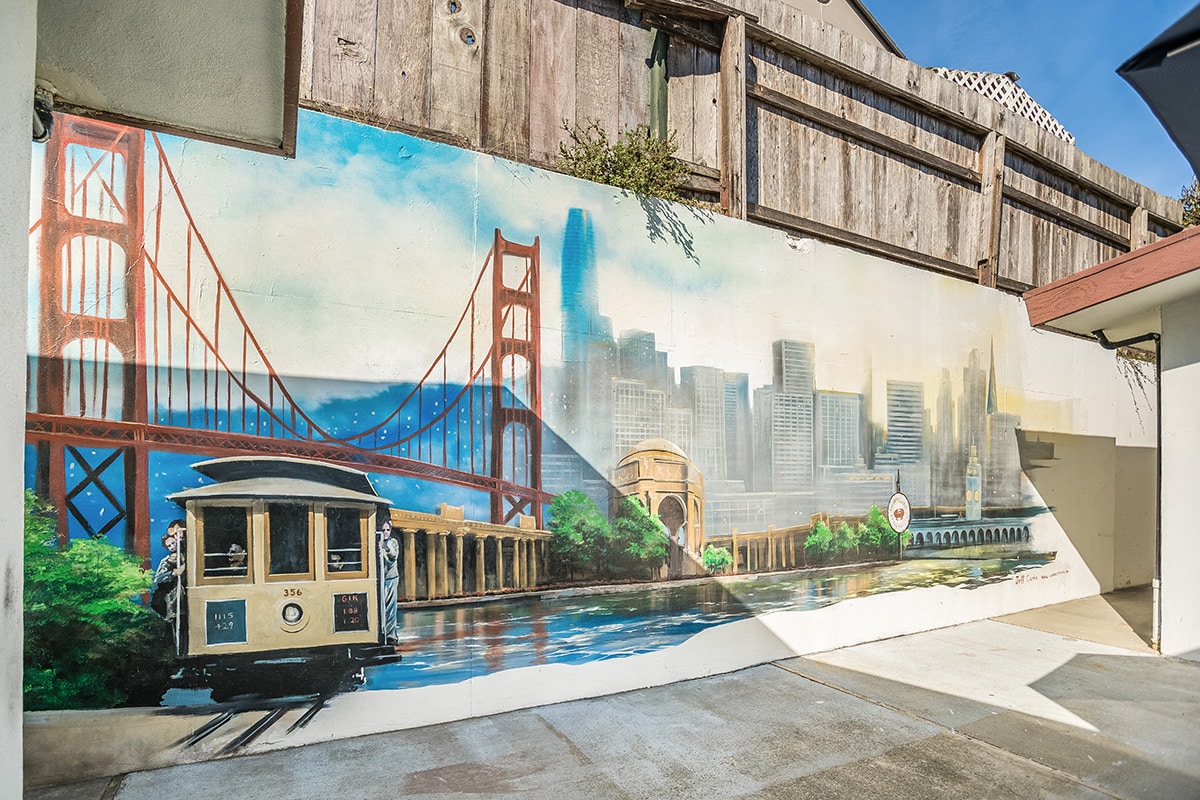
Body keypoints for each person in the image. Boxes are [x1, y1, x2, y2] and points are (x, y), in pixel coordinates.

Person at [151, 519, 187, 621]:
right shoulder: (169, 559)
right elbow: (157, 579)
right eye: (169, 546)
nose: (177, 537)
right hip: (173, 597)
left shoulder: (187, 549)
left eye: (177, 533)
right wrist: (173, 572)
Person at [378, 518, 399, 645]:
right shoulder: (377, 541)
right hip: (380, 579)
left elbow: (393, 555)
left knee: (390, 608)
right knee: (381, 608)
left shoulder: (393, 542)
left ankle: (391, 636)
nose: (386, 532)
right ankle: (382, 634)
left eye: (388, 530)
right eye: (383, 530)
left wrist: (384, 546)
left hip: (391, 578)